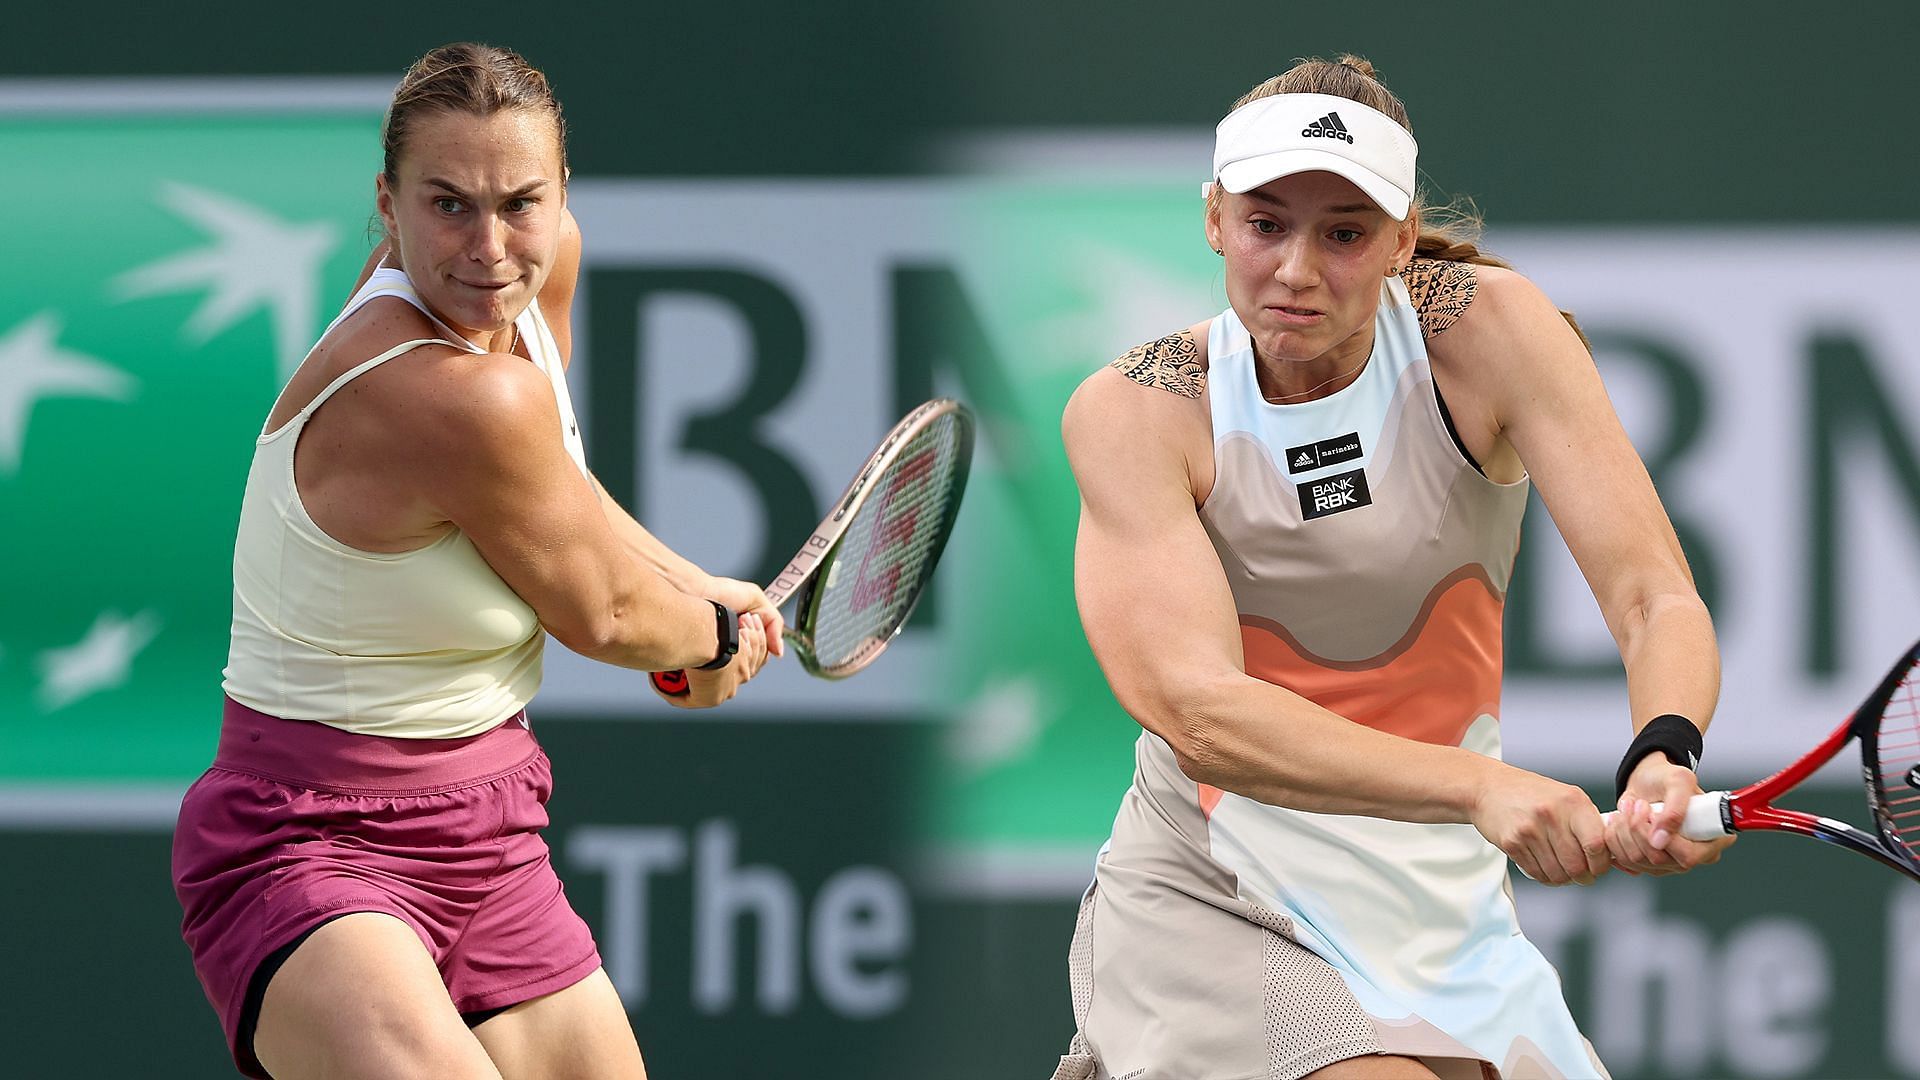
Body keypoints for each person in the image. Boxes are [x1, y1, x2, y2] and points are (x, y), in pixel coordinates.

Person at [1051, 56, 1731, 1080]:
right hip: (1216, 896)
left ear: (1403, 237)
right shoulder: (1139, 409)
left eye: (1344, 233)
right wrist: (1477, 787)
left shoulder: (1494, 332)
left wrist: (1665, 751)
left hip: (1436, 906)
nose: (1295, 269)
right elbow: (1199, 713)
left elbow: (1654, 596)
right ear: (1213, 220)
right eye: (1265, 223)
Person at [170, 43, 779, 1079]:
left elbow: (555, 499)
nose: (490, 248)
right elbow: (602, 614)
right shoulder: (440, 391)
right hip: (306, 842)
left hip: (493, 838)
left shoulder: (538, 287)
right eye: (448, 205)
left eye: (520, 204)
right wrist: (705, 635)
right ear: (389, 204)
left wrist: (697, 589)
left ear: (563, 197)